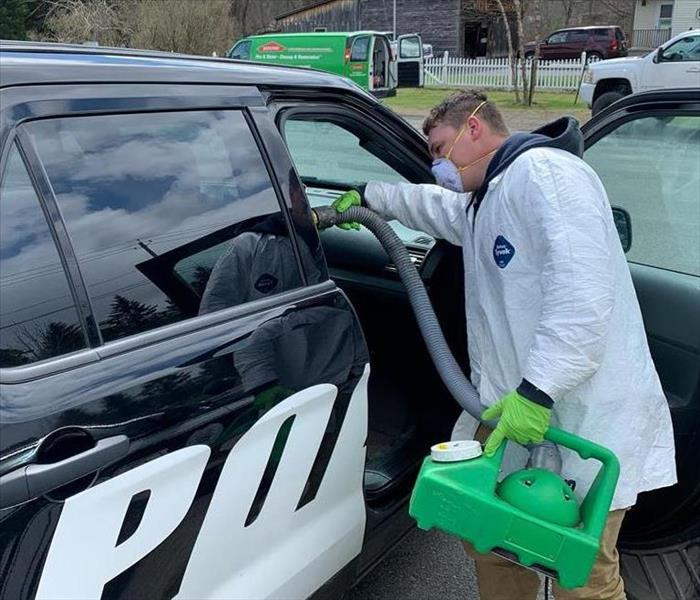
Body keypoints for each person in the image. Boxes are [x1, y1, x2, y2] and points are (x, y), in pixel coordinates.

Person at [332, 90, 676, 600]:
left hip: (579, 415)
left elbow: (582, 298)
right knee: (491, 542)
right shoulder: (487, 197)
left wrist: (538, 391)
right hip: (514, 415)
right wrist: (371, 195)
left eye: (440, 147)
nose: (438, 165)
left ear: (474, 128)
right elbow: (435, 206)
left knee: (580, 571)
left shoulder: (548, 176)